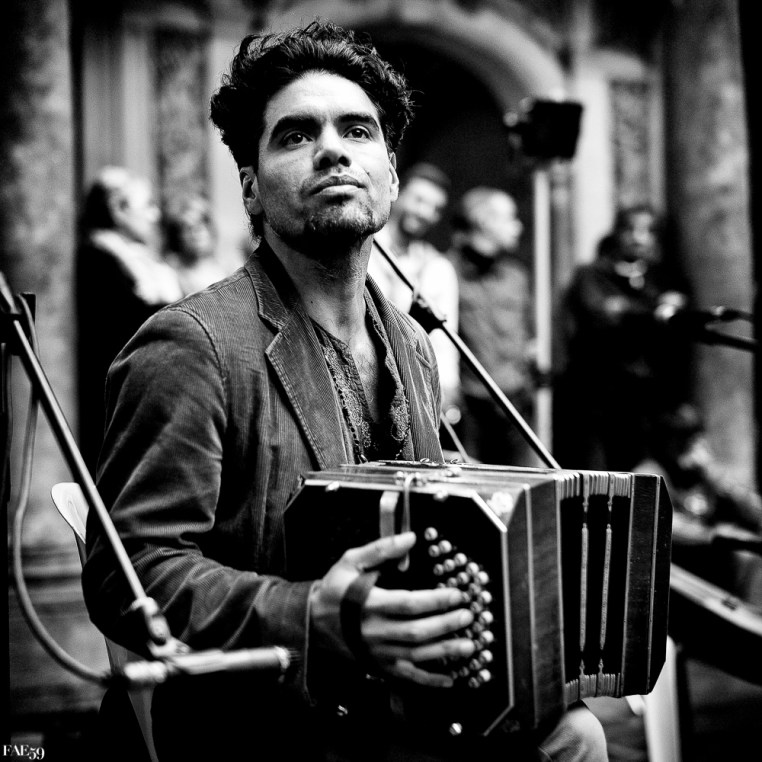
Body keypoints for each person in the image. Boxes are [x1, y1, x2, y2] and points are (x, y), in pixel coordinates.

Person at [82, 20, 607, 761]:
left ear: (388, 171)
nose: (332, 149)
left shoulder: (413, 344)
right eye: (295, 135)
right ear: (251, 188)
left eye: (357, 131)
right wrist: (309, 613)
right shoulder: (190, 345)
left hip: (399, 701)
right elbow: (129, 572)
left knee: (576, 731)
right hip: (271, 721)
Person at [554, 203, 690, 472]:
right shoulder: (593, 275)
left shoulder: (661, 277)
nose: (639, 238)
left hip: (643, 399)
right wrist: (654, 309)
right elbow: (603, 314)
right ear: (617, 233)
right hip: (597, 395)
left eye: (648, 231)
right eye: (631, 230)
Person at [76, 166, 183, 473]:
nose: (155, 215)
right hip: (119, 394)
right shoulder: (99, 257)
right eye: (146, 206)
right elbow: (129, 319)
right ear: (119, 211)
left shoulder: (141, 257)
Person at [636, 403, 762, 603]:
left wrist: (713, 473)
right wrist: (715, 535)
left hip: (711, 566)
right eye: (681, 438)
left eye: (694, 437)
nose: (689, 444)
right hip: (675, 570)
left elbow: (755, 512)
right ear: (664, 440)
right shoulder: (651, 472)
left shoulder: (703, 472)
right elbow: (661, 525)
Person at [449, 186, 537, 466]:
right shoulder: (446, 271)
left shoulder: (516, 276)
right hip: (471, 408)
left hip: (516, 405)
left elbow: (529, 335)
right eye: (509, 218)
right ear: (484, 221)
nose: (518, 226)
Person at [368, 162, 461, 423]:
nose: (425, 213)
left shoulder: (438, 268)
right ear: (396, 192)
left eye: (436, 208)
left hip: (413, 389)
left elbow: (444, 340)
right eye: (419, 200)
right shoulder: (363, 251)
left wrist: (448, 389)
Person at [163, 194, 228, 296]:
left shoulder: (227, 267)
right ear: (178, 235)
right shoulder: (170, 271)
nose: (197, 232)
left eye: (201, 223)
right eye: (188, 227)